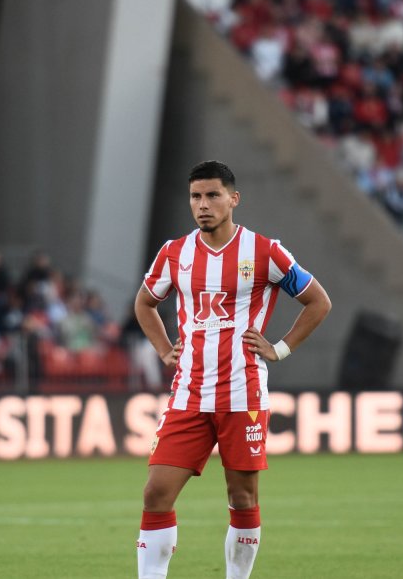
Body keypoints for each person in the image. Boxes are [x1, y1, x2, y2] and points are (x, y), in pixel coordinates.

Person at [134, 161, 332, 579]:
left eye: (212, 195)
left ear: (233, 199)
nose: (203, 205)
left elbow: (318, 301)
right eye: (195, 196)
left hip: (243, 394)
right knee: (156, 493)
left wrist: (280, 348)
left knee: (242, 498)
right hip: (188, 393)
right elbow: (145, 303)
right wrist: (165, 349)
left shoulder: (265, 251)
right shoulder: (174, 253)